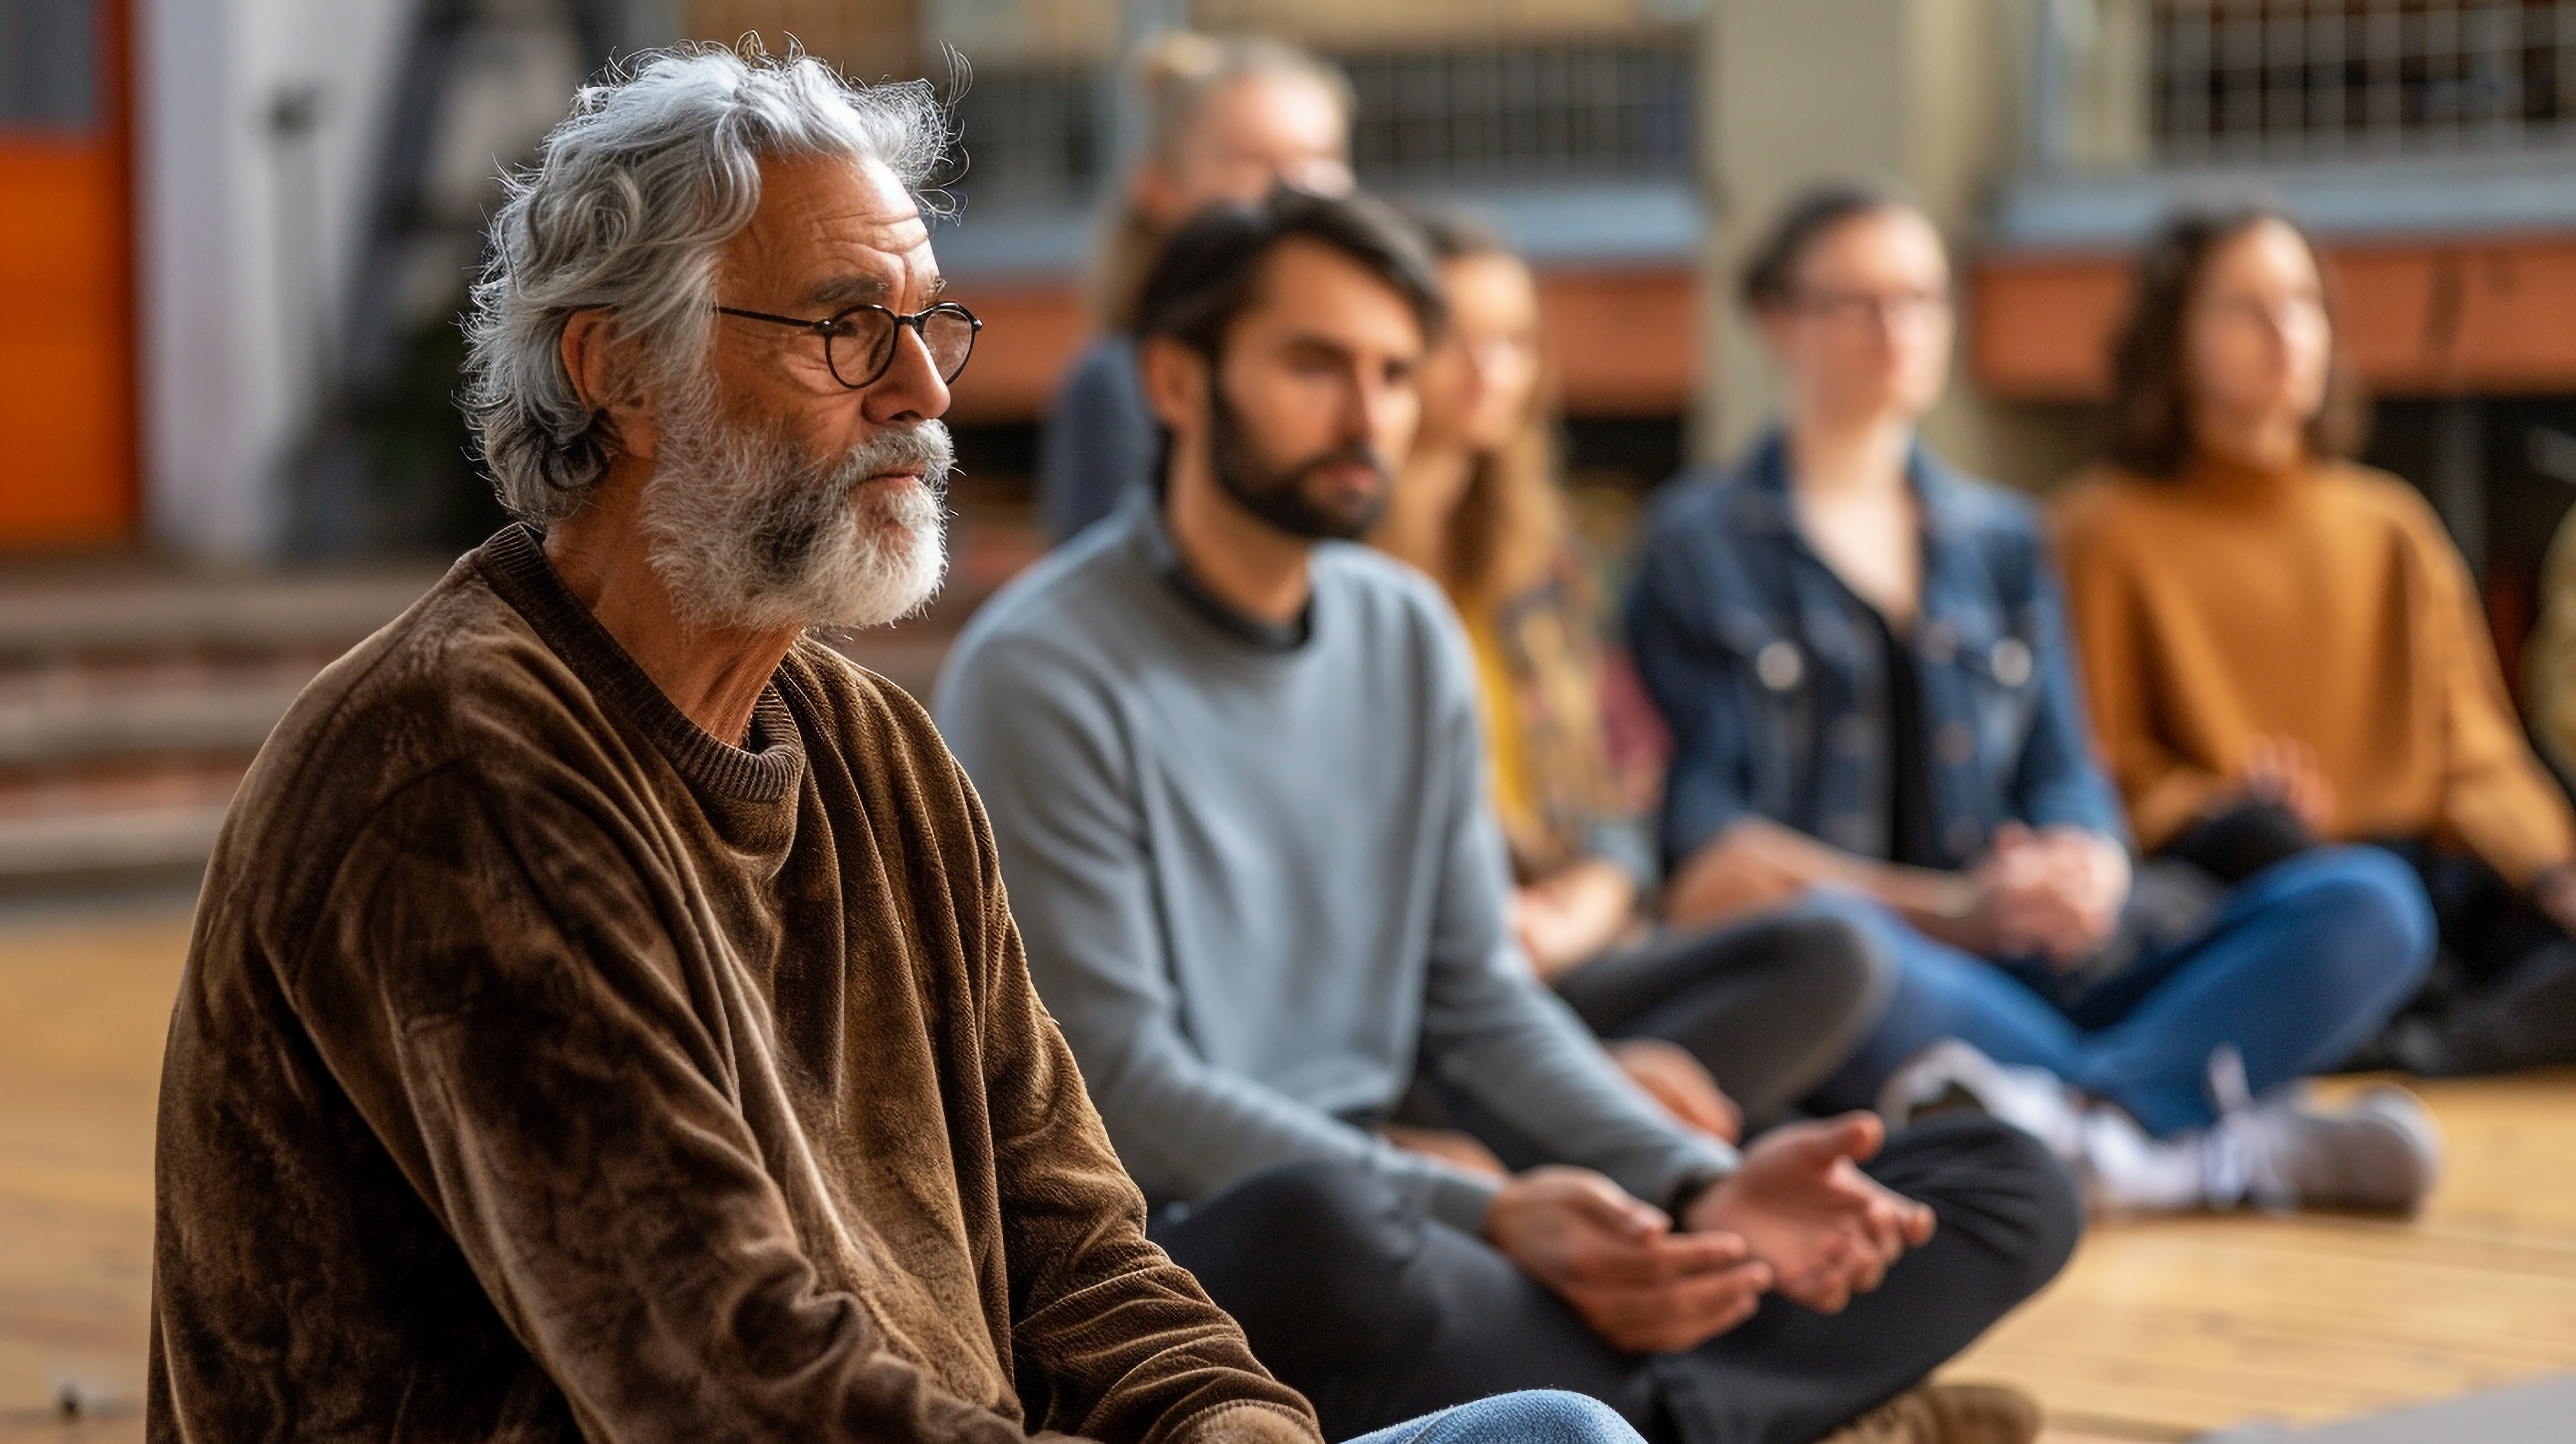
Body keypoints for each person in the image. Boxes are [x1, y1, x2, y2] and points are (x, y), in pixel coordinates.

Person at [146, 48, 1638, 1444]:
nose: (924, 394)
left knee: (1561, 1432)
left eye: (929, 324)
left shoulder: (872, 748)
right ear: (619, 369)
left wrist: (1232, 1425)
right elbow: (715, 1370)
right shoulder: (458, 765)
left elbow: (1079, 1230)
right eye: (846, 328)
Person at [938, 187, 2080, 1444]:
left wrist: (1694, 1184)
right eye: (1313, 364)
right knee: (1331, 1232)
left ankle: (1670, 1409)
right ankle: (1802, 1407)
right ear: (1175, 382)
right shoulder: (1041, 667)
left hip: (1437, 1198)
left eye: (1390, 370)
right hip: (1226, 1237)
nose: (1368, 413)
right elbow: (1126, 1091)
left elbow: (1479, 1005)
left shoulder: (1403, 631)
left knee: (2005, 1181)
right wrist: (1484, 1209)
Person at [1627, 184, 2442, 1217]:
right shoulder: (1696, 546)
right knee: (1838, 946)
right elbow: (1710, 870)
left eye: (1921, 298)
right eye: (1856, 301)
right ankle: (2214, 1139)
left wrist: (2084, 864)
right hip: (1888, 982)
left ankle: (2075, 1126)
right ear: (1772, 318)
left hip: (2043, 976)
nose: (1895, 329)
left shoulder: (2001, 540)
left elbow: (2068, 775)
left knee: (2371, 901)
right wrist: (1953, 911)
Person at [1369, 208, 1891, 1136]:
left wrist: (1591, 900)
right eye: (1457, 337)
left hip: (1562, 952)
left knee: (1835, 955)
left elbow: (1624, 789)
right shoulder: (1332, 570)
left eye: (1517, 341)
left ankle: (1568, 1128)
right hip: (1410, 986)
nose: (1492, 368)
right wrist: (1487, 928)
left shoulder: (1548, 565)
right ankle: (1598, 1130)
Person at [2055, 200, 2576, 1076]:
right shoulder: (2097, 530)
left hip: (2417, 878)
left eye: (2303, 303)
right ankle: (2397, 1022)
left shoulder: (2391, 525)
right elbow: (2100, 767)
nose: (2285, 332)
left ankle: (2408, 1038)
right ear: (2170, 337)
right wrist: (2222, 802)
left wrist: (2551, 870)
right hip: (2245, 875)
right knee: (2253, 877)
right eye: (2245, 307)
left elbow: (2476, 751)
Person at [1036, 32, 1355, 543]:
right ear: (1159, 189)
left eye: (1320, 157)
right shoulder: (1119, 384)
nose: (1297, 189)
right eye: (1252, 160)